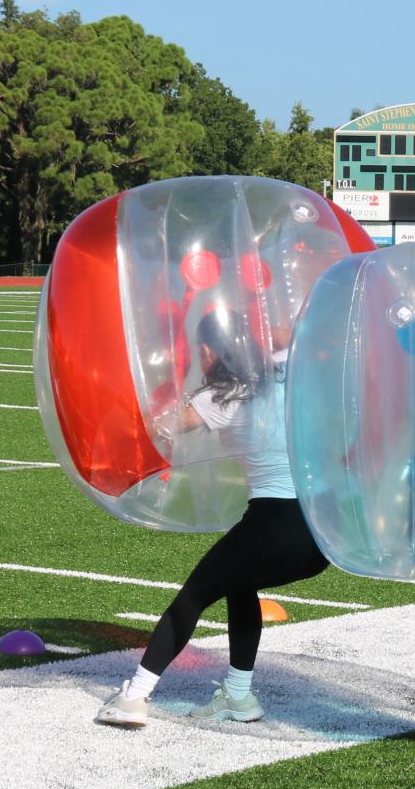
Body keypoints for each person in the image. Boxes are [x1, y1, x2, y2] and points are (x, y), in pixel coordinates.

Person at [97, 310, 325, 727]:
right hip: (321, 533)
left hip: (275, 524)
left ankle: (133, 696)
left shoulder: (219, 396)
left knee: (192, 597)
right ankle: (238, 696)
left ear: (206, 351)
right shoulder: (285, 368)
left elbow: (159, 429)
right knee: (240, 584)